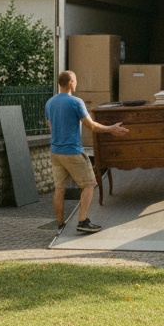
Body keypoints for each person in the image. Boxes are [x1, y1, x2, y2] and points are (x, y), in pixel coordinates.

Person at [45, 70, 128, 235]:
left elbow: (50, 126)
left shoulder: (50, 103)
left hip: (55, 151)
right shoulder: (76, 102)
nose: (76, 84)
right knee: (90, 184)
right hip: (72, 151)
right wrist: (111, 129)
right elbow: (92, 126)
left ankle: (60, 226)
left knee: (59, 189)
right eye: (75, 81)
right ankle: (83, 221)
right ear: (70, 83)